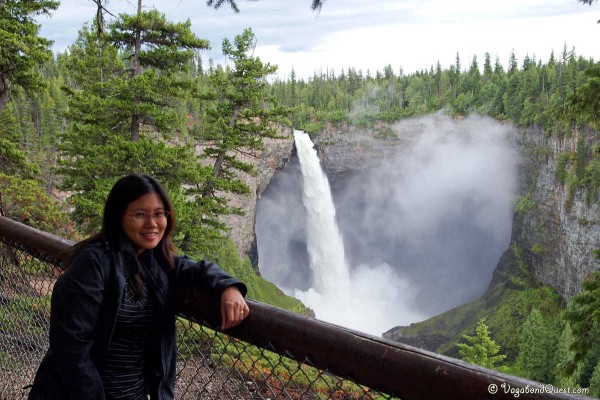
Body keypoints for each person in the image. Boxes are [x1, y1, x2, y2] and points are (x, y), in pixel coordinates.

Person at [27, 174, 249, 400]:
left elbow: (198, 268)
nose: (152, 224)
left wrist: (229, 288)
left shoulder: (156, 263)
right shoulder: (94, 262)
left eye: (159, 214)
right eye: (140, 214)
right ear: (118, 216)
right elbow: (71, 350)